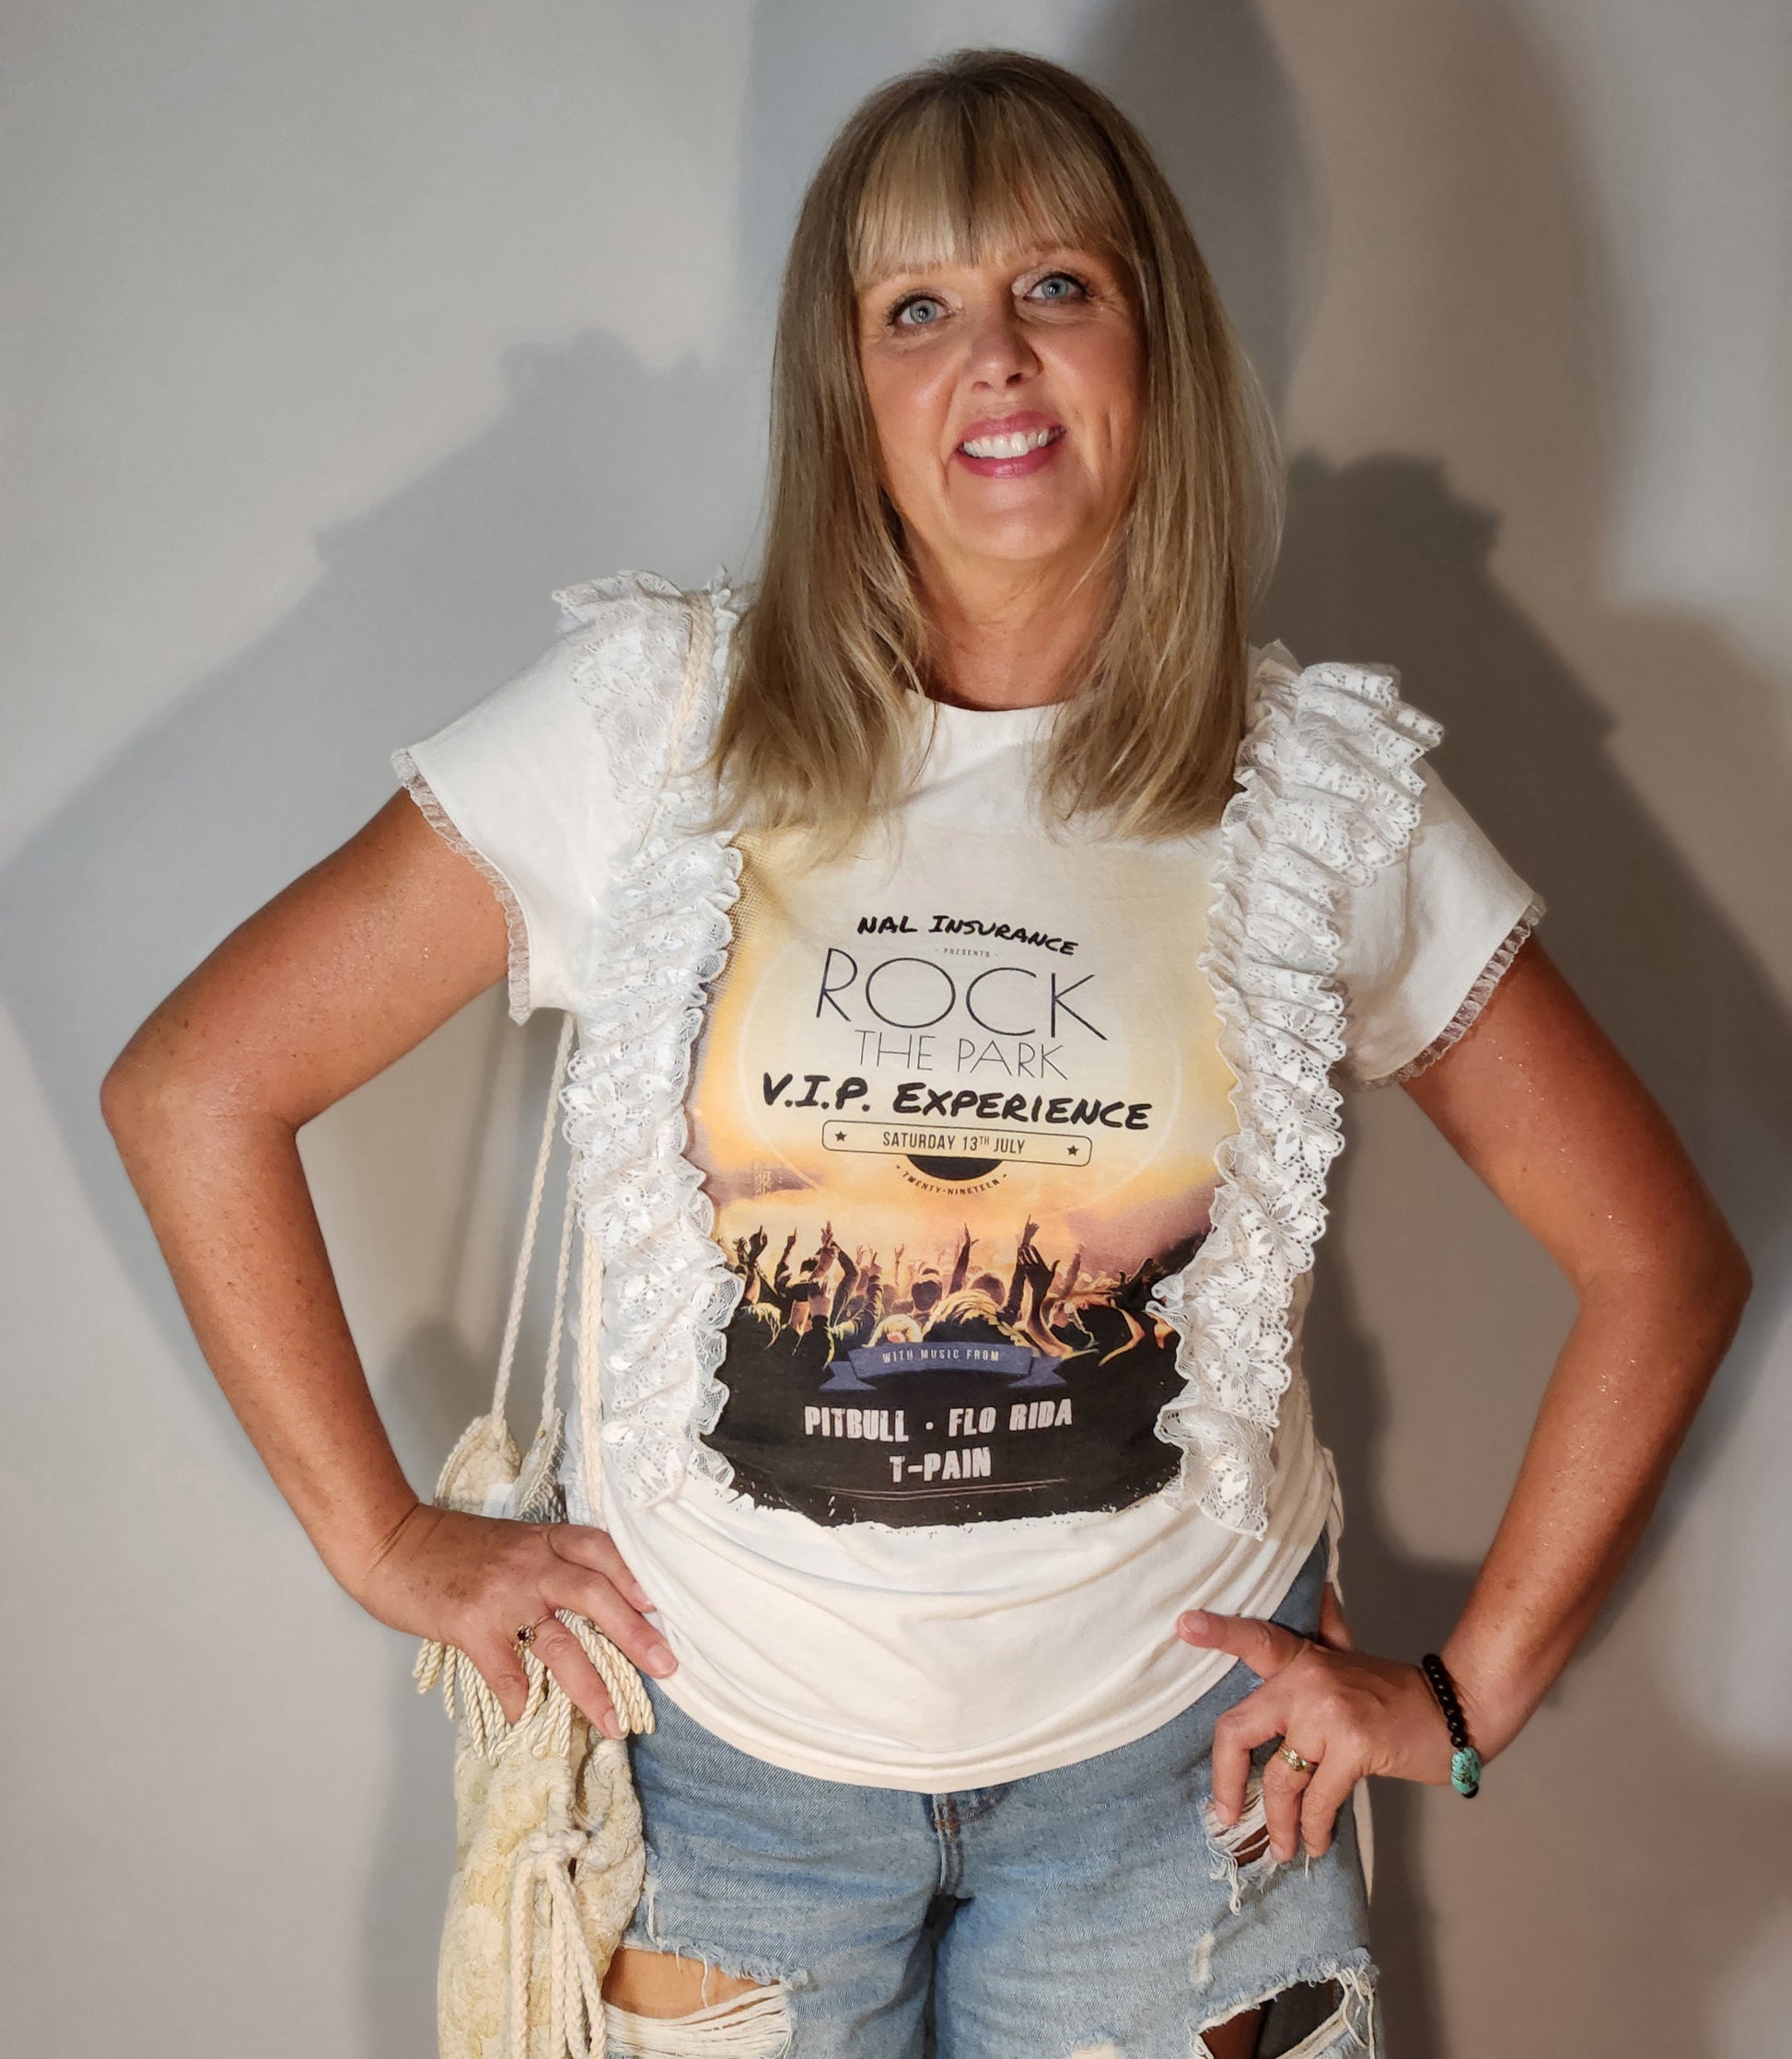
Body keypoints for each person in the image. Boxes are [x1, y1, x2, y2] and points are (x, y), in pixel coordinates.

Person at [101, 47, 1749, 2059]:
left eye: (1056, 285)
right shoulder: (652, 723)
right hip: (721, 1792)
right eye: (917, 307)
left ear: (1154, 351)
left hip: (1176, 1801)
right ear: (845, 389)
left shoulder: (1310, 789)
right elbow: (197, 1082)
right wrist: (382, 1537)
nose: (993, 356)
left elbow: (1662, 1256)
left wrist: (1463, 1695)